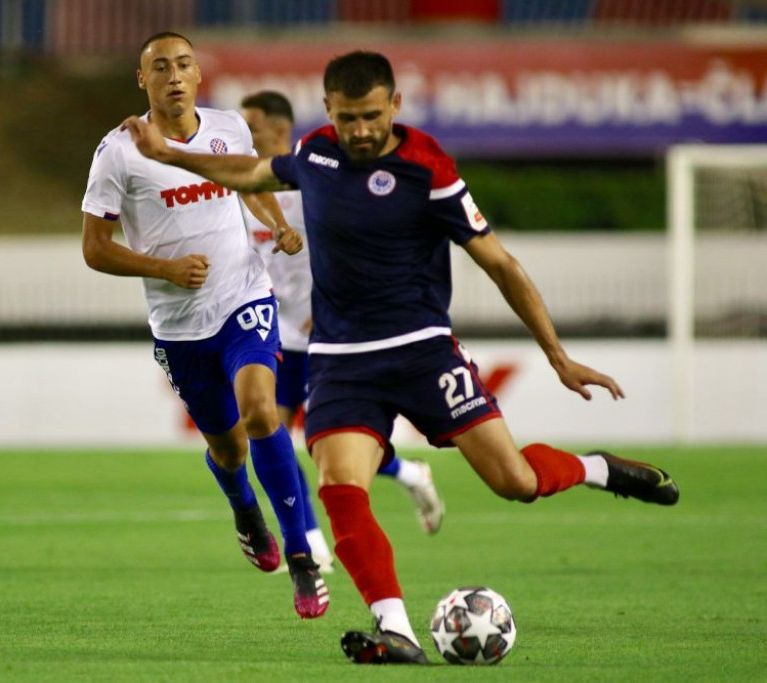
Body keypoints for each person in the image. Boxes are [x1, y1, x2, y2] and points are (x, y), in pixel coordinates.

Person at [125, 50, 680, 665]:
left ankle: (598, 469)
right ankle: (397, 631)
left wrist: (557, 355)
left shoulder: (428, 167)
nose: (360, 131)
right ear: (328, 110)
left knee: (514, 482)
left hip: (423, 352)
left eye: (371, 116)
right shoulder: (316, 155)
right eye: (347, 118)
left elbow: (500, 264)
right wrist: (167, 154)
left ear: (395, 105)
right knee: (339, 484)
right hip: (342, 360)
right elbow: (253, 175)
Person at [81, 32, 329, 619]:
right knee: (226, 445)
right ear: (143, 80)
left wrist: (275, 221)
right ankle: (245, 509)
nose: (174, 74)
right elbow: (94, 248)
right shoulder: (118, 151)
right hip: (180, 326)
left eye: (184, 65)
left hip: (244, 296)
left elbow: (247, 185)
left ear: (197, 76)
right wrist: (162, 268)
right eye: (160, 67)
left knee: (263, 411)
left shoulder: (229, 129)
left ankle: (300, 553)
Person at [240, 90, 445, 550]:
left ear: (279, 129)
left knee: (322, 438)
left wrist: (333, 306)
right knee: (271, 432)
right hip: (274, 330)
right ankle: (314, 536)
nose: (244, 136)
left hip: (328, 333)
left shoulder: (315, 180)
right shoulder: (248, 188)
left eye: (252, 127)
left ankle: (393, 480)